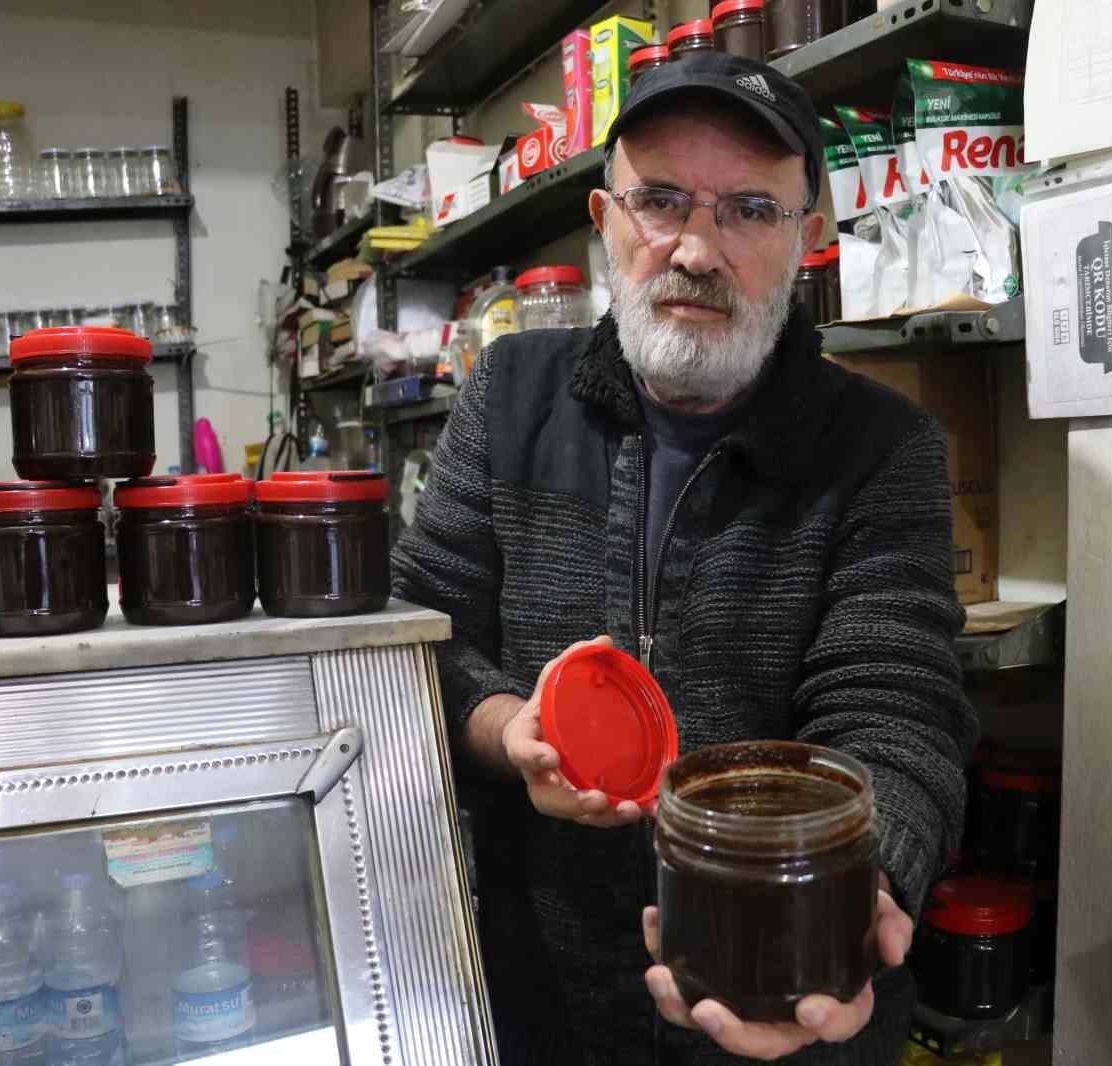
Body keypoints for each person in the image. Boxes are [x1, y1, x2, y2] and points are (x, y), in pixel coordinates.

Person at [393, 52, 975, 1065]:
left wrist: (852, 889)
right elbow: (417, 638)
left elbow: (895, 704)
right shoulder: (509, 394)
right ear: (605, 219)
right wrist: (505, 729)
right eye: (659, 201)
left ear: (810, 239)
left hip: (791, 992)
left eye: (749, 210)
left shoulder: (881, 446)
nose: (696, 249)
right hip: (534, 989)